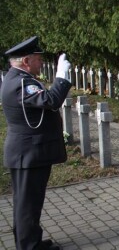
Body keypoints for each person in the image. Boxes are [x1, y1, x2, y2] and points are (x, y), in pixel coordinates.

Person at [2, 36, 72, 250]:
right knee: (28, 206)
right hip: (28, 153)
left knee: (27, 204)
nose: (41, 63)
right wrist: (61, 77)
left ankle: (29, 242)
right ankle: (29, 247)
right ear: (26, 61)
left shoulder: (17, 79)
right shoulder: (21, 83)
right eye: (38, 59)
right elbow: (50, 101)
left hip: (27, 152)